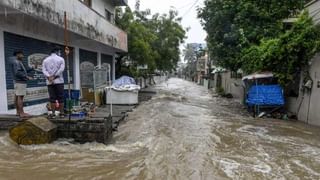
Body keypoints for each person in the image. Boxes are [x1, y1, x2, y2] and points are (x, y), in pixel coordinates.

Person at [42, 47, 65, 118]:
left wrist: (49, 77)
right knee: (60, 98)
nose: (60, 53)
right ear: (57, 52)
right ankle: (61, 113)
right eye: (60, 52)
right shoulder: (61, 59)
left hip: (50, 82)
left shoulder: (45, 60)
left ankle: (53, 114)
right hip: (59, 81)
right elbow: (61, 69)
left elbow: (44, 70)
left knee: (52, 98)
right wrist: (54, 76)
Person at [11, 50, 34, 117]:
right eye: (21, 54)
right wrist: (27, 77)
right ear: (17, 55)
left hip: (17, 82)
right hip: (20, 82)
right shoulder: (17, 62)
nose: (23, 56)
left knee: (17, 96)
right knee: (20, 97)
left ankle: (18, 112)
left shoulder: (18, 62)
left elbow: (24, 70)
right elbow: (17, 73)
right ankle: (21, 113)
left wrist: (32, 68)